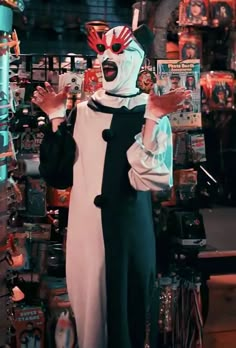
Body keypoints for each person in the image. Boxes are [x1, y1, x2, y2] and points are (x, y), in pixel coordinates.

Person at [32, 25, 190, 348]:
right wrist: (56, 118)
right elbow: (60, 175)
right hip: (86, 240)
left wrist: (150, 119)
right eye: (102, 49)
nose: (107, 56)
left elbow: (149, 179)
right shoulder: (83, 112)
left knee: (128, 322)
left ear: (135, 59)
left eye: (117, 49)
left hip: (131, 239)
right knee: (91, 324)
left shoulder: (152, 112)